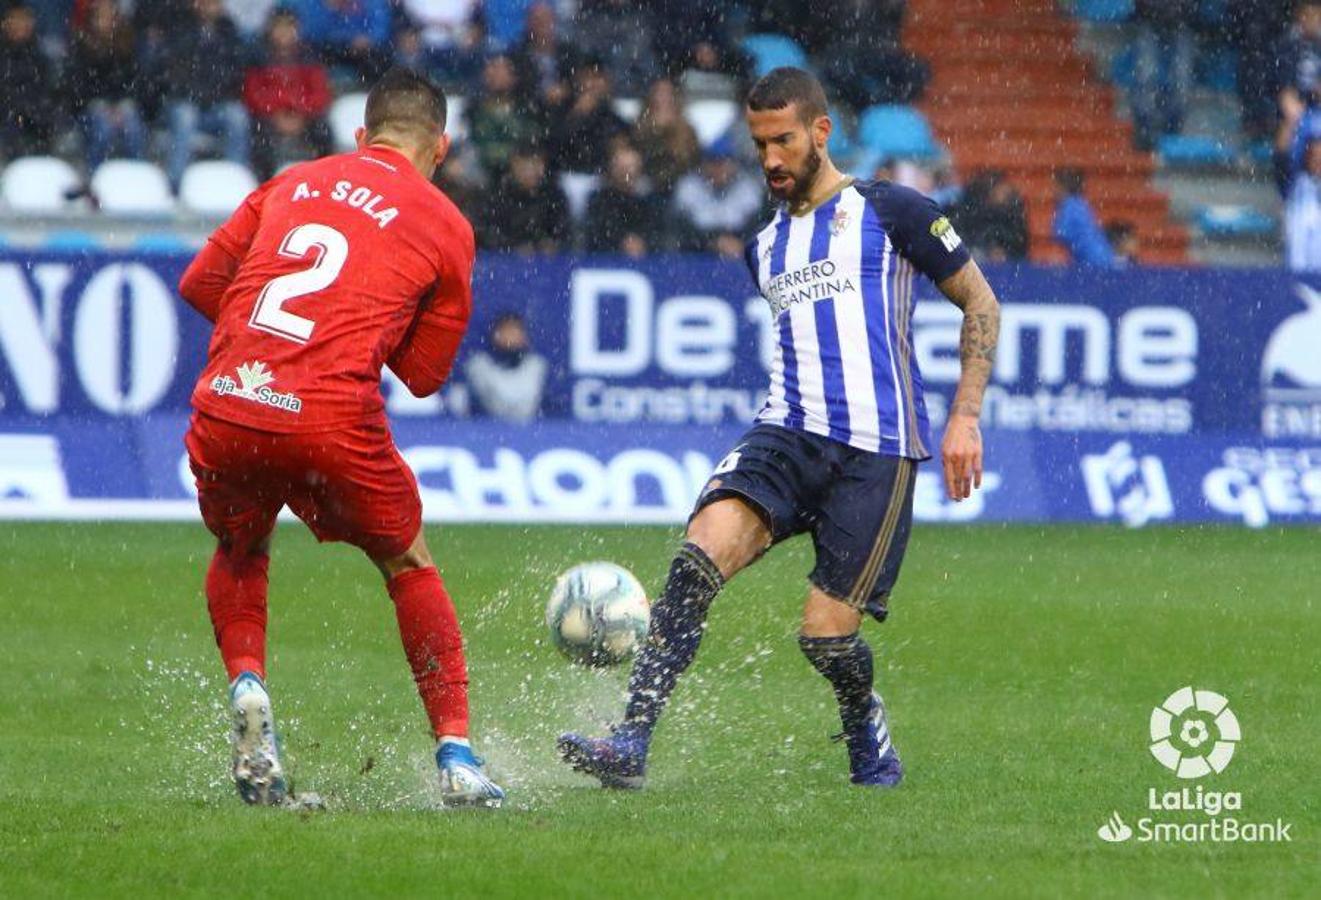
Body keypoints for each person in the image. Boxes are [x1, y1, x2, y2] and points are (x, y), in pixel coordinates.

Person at [559, 67, 1001, 789]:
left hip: (876, 452)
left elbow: (981, 305)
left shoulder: (893, 211)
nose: (769, 158)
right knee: (695, 560)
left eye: (783, 141)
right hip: (786, 434)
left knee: (825, 641)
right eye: (758, 142)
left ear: (820, 134)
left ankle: (863, 722)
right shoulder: (761, 247)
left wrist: (965, 418)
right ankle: (630, 741)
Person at [178, 67, 505, 808]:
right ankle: (455, 754)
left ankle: (248, 683)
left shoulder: (294, 180)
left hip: (232, 399)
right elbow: (422, 374)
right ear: (440, 149)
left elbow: (202, 282)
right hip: (330, 414)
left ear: (361, 136)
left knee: (241, 548)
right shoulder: (446, 223)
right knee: (408, 563)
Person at [164, 0, 252, 189]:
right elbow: (174, 73)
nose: (209, 6)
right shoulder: (180, 29)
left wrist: (213, 94)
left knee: (237, 117)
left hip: (217, 103)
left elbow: (235, 72)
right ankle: (176, 183)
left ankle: (236, 178)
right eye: (205, 2)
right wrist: (197, 94)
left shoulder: (229, 32)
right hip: (185, 101)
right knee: (185, 118)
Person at [243, 9, 334, 179]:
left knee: (323, 130)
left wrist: (299, 112)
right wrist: (278, 111)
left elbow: (320, 94)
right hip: (269, 117)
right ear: (270, 29)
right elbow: (253, 94)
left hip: (304, 117)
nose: (284, 33)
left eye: (289, 27)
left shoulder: (309, 56)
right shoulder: (258, 57)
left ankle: (325, 178)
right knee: (259, 134)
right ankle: (263, 181)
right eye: (280, 27)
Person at [63, 0, 149, 173]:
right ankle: (94, 174)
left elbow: (137, 82)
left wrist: (123, 104)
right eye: (100, 17)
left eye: (109, 16)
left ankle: (137, 174)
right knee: (102, 129)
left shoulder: (128, 46)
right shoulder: (80, 48)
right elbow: (77, 87)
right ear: (91, 20)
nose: (105, 21)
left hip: (124, 106)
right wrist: (100, 105)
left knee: (134, 129)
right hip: (92, 107)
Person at [671, 140, 765, 257]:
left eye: (724, 162)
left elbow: (757, 226)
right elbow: (680, 230)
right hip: (697, 257)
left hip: (739, 255)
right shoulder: (688, 187)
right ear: (703, 164)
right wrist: (712, 242)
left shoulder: (749, 188)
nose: (719, 168)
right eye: (712, 162)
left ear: (734, 163)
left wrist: (742, 242)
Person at [480, 143, 570, 252]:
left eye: (535, 165)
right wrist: (512, 247)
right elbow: (488, 233)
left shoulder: (554, 195)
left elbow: (563, 230)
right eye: (524, 167)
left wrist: (550, 243)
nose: (530, 172)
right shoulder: (497, 195)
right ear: (513, 165)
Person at [583, 142, 668, 255]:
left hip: (645, 260)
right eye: (623, 169)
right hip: (606, 259)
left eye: (632, 168)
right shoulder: (599, 200)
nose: (628, 173)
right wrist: (621, 242)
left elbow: (658, 233)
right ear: (612, 170)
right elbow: (595, 233)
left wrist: (643, 242)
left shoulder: (650, 201)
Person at [465, 312, 549, 421]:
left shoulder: (538, 367)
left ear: (525, 337)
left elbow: (550, 408)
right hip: (484, 432)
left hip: (530, 434)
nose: (510, 336)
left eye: (515, 331)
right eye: (506, 331)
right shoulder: (478, 366)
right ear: (495, 335)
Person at [0, 2, 57, 158]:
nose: (20, 25)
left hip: (37, 118)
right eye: (15, 19)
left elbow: (52, 91)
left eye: (24, 19)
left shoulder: (42, 57)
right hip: (7, 118)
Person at [951, 169, 1028, 262]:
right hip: (977, 254)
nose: (1003, 193)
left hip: (1008, 258)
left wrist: (1004, 250)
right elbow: (966, 232)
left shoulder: (1013, 211)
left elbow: (1019, 240)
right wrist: (987, 248)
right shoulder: (973, 208)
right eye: (999, 189)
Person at [1052, 168, 1115, 267]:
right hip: (1103, 255)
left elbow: (1061, 233)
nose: (1053, 191)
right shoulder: (1082, 204)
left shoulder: (1069, 205)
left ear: (1062, 187)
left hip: (1089, 259)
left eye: (1055, 187)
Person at [1285, 135, 1321, 271]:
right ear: (1306, 158)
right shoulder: (1295, 185)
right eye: (1314, 156)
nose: (1318, 161)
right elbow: (1280, 159)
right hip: (1299, 271)